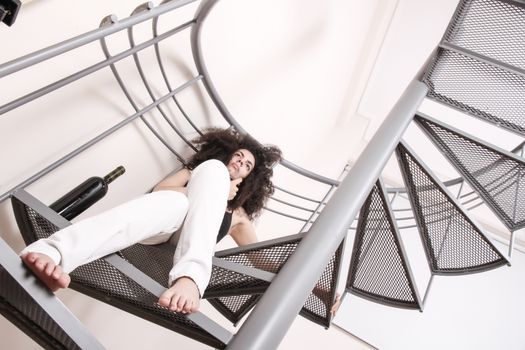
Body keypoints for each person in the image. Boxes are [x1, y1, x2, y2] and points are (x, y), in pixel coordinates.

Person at [20, 127, 341, 316]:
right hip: (159, 229)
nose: (240, 162)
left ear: (250, 177)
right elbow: (159, 192)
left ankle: (189, 276)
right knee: (184, 193)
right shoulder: (201, 171)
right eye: (238, 157)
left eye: (247, 164)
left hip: (175, 254)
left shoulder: (239, 217)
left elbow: (261, 260)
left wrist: (318, 288)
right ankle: (57, 252)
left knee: (200, 185)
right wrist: (214, 183)